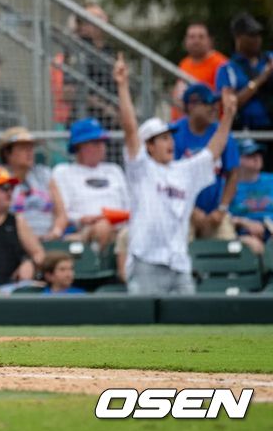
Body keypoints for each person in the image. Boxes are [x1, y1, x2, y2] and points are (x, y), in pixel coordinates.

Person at [115, 52, 238, 295]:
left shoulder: (185, 171)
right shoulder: (141, 169)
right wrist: (122, 86)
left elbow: (213, 151)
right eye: (162, 139)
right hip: (147, 261)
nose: (169, 142)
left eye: (170, 137)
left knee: (187, 327)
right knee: (145, 329)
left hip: (179, 262)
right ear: (149, 146)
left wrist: (229, 117)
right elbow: (130, 130)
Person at [170, 84, 241, 243]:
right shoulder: (173, 134)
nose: (214, 108)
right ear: (191, 106)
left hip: (214, 214)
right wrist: (191, 210)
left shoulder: (221, 134)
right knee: (179, 242)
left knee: (229, 245)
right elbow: (167, 175)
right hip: (181, 211)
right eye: (208, 103)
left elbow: (233, 174)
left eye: (215, 104)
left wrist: (222, 209)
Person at [50, 118, 132, 249]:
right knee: (103, 226)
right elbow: (62, 213)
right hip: (84, 229)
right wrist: (82, 218)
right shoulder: (63, 172)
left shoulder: (113, 170)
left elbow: (129, 205)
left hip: (120, 227)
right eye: (95, 143)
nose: (101, 147)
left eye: (102, 142)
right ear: (79, 146)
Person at [0, 127, 65, 240]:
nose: (29, 152)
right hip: (12, 241)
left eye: (31, 148)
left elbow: (61, 214)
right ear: (7, 153)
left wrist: (55, 232)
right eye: (22, 148)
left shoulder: (44, 174)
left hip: (49, 238)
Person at [216, 13, 273, 136]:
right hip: (247, 135)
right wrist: (262, 78)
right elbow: (230, 104)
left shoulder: (269, 59)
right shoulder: (228, 69)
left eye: (258, 34)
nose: (257, 39)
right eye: (252, 35)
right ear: (238, 38)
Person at [64, 3, 118, 128]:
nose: (101, 21)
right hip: (86, 124)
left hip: (111, 126)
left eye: (101, 17)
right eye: (93, 18)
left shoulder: (109, 52)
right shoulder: (77, 50)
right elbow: (68, 92)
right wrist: (103, 106)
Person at [171, 23, 227, 119]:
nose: (196, 41)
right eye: (192, 37)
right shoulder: (184, 63)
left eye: (201, 37)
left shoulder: (221, 63)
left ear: (210, 41)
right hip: (184, 124)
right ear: (185, 41)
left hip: (209, 124)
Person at [227, 138, 271, 254]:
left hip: (270, 230)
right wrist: (244, 222)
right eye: (250, 155)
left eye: (258, 154)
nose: (257, 158)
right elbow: (222, 216)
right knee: (252, 246)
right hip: (243, 233)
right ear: (237, 159)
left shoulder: (271, 180)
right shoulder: (228, 186)